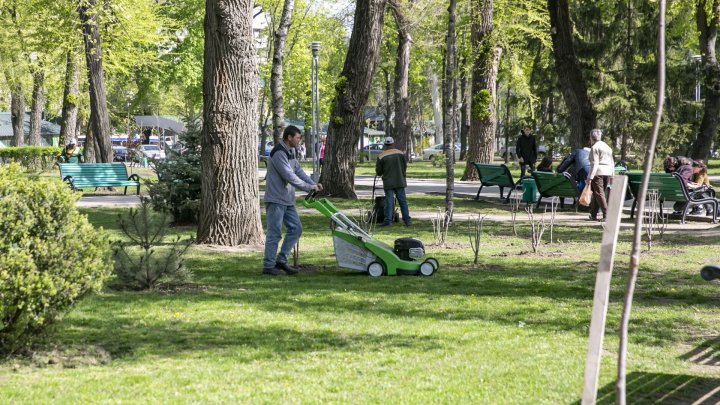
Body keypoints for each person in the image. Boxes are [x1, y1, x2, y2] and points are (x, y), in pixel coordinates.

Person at [262, 125, 322, 276]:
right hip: (276, 199)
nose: (299, 140)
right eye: (297, 137)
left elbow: (298, 171)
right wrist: (309, 187)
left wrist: (312, 184)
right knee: (274, 233)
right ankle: (268, 266)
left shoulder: (291, 151)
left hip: (287, 199)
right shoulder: (278, 152)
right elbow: (289, 175)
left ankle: (281, 260)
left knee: (296, 228)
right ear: (289, 137)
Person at [376, 136, 411, 227]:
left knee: (389, 201)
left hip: (388, 182)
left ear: (385, 144)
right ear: (393, 143)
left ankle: (388, 221)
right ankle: (407, 220)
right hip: (400, 181)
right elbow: (404, 166)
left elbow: (379, 172)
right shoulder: (400, 153)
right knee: (402, 201)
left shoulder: (381, 156)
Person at [587, 129, 614, 221]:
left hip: (598, 173)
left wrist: (590, 177)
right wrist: (612, 175)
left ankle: (607, 214)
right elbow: (612, 162)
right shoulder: (607, 147)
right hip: (607, 172)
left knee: (599, 193)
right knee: (597, 194)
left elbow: (594, 164)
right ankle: (593, 214)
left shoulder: (594, 147)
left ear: (591, 137)